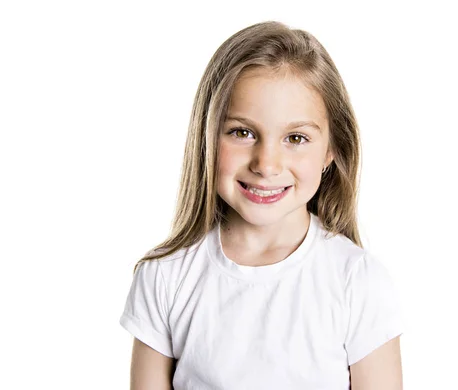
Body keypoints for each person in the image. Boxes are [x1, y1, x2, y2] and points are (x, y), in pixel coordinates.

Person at [119, 20, 405, 390]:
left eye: (296, 138)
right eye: (242, 132)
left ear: (332, 150)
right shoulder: (166, 276)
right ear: (206, 136)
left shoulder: (358, 283)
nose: (266, 164)